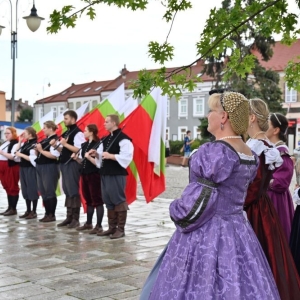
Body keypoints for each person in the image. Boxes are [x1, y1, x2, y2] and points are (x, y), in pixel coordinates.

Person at [140, 92, 280, 299]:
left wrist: (176, 209)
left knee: (197, 284)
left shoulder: (216, 151)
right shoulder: (248, 152)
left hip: (206, 232)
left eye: (211, 111)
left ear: (223, 117)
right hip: (238, 229)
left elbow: (197, 203)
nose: (207, 116)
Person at [245, 98, 300, 299]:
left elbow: (279, 182)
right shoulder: (258, 145)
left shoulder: (273, 150)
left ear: (252, 117)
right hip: (263, 203)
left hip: (264, 204)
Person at [90, 114, 133, 239]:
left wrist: (111, 156)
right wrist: (96, 155)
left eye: (106, 121)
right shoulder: (105, 139)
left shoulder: (124, 139)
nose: (104, 124)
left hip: (116, 173)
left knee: (118, 200)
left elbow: (127, 156)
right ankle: (111, 228)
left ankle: (121, 229)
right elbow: (102, 155)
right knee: (108, 200)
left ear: (114, 123)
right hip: (105, 173)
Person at [50, 110, 85, 228]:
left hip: (73, 164)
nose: (64, 121)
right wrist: (56, 146)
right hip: (64, 163)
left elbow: (79, 150)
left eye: (66, 118)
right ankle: (69, 217)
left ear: (73, 119)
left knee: (73, 190)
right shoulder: (66, 133)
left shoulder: (78, 133)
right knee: (67, 190)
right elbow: (64, 150)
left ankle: (75, 218)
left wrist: (64, 144)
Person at [265, 113, 294, 240]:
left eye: (267, 125)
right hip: (269, 197)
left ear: (275, 130)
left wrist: (263, 181)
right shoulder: (271, 149)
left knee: (275, 238)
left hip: (276, 201)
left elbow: (281, 183)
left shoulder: (282, 152)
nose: (263, 127)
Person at [72, 124, 104, 234]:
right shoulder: (84, 145)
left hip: (94, 174)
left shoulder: (98, 144)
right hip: (84, 174)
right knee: (88, 199)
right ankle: (88, 222)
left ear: (91, 132)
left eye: (86, 130)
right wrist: (77, 159)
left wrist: (89, 157)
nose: (84, 132)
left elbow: (98, 162)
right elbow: (83, 161)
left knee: (97, 199)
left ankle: (99, 225)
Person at [35, 121, 60, 222]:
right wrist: (37, 151)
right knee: (43, 191)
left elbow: (54, 155)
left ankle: (51, 214)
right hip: (40, 165)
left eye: (45, 128)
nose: (43, 130)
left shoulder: (55, 140)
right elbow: (41, 154)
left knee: (49, 191)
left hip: (49, 166)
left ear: (50, 128)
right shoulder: (45, 140)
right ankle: (47, 213)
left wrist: (41, 150)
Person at [15, 127, 39, 219]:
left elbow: (33, 159)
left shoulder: (34, 144)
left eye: (25, 133)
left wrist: (21, 155)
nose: (23, 134)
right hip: (23, 168)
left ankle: (34, 211)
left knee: (32, 188)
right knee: (25, 189)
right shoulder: (25, 143)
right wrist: (20, 142)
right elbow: (15, 153)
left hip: (30, 168)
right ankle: (28, 210)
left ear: (30, 134)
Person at [0, 127, 20, 216]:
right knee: (6, 186)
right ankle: (9, 207)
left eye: (8, 133)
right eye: (5, 133)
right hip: (2, 166)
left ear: (13, 134)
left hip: (10, 166)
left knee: (12, 186)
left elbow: (13, 156)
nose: (6, 135)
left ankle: (13, 208)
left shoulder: (15, 144)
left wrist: (2, 153)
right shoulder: (6, 143)